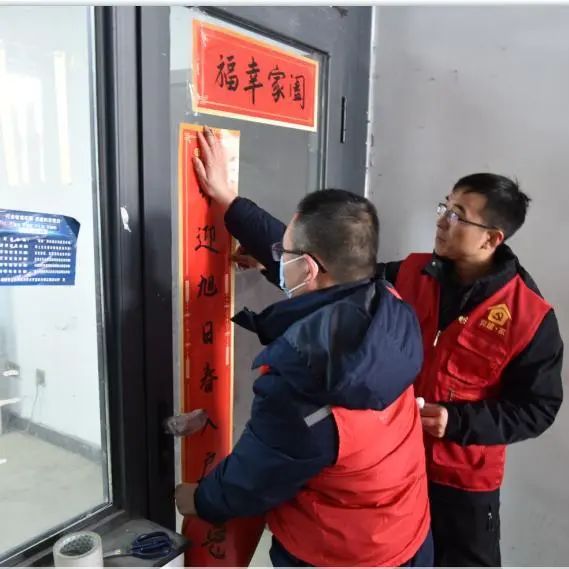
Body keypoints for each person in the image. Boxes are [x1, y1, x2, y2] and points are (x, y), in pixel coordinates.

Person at [186, 129, 564, 567]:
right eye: (444, 207)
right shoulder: (413, 275)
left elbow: (538, 408)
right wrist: (234, 208)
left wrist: (457, 421)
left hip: (460, 480)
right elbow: (339, 271)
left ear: (492, 238)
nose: (442, 220)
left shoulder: (529, 317)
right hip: (383, 474)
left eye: (458, 215)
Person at [175, 127, 433, 567]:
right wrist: (230, 203)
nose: (280, 257)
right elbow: (310, 264)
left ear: (309, 268)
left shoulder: (303, 381)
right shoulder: (388, 305)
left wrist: (200, 499)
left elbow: (254, 477)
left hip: (338, 555)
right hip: (405, 535)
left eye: (287, 254)